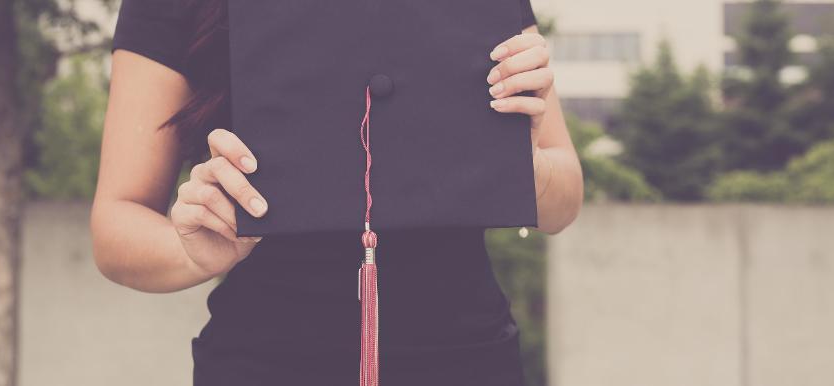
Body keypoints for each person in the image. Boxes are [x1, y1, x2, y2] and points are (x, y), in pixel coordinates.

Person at [91, 0, 583, 384]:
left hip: (469, 358)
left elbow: (563, 196)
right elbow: (116, 223)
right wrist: (193, 251)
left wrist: (518, 155)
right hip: (265, 364)